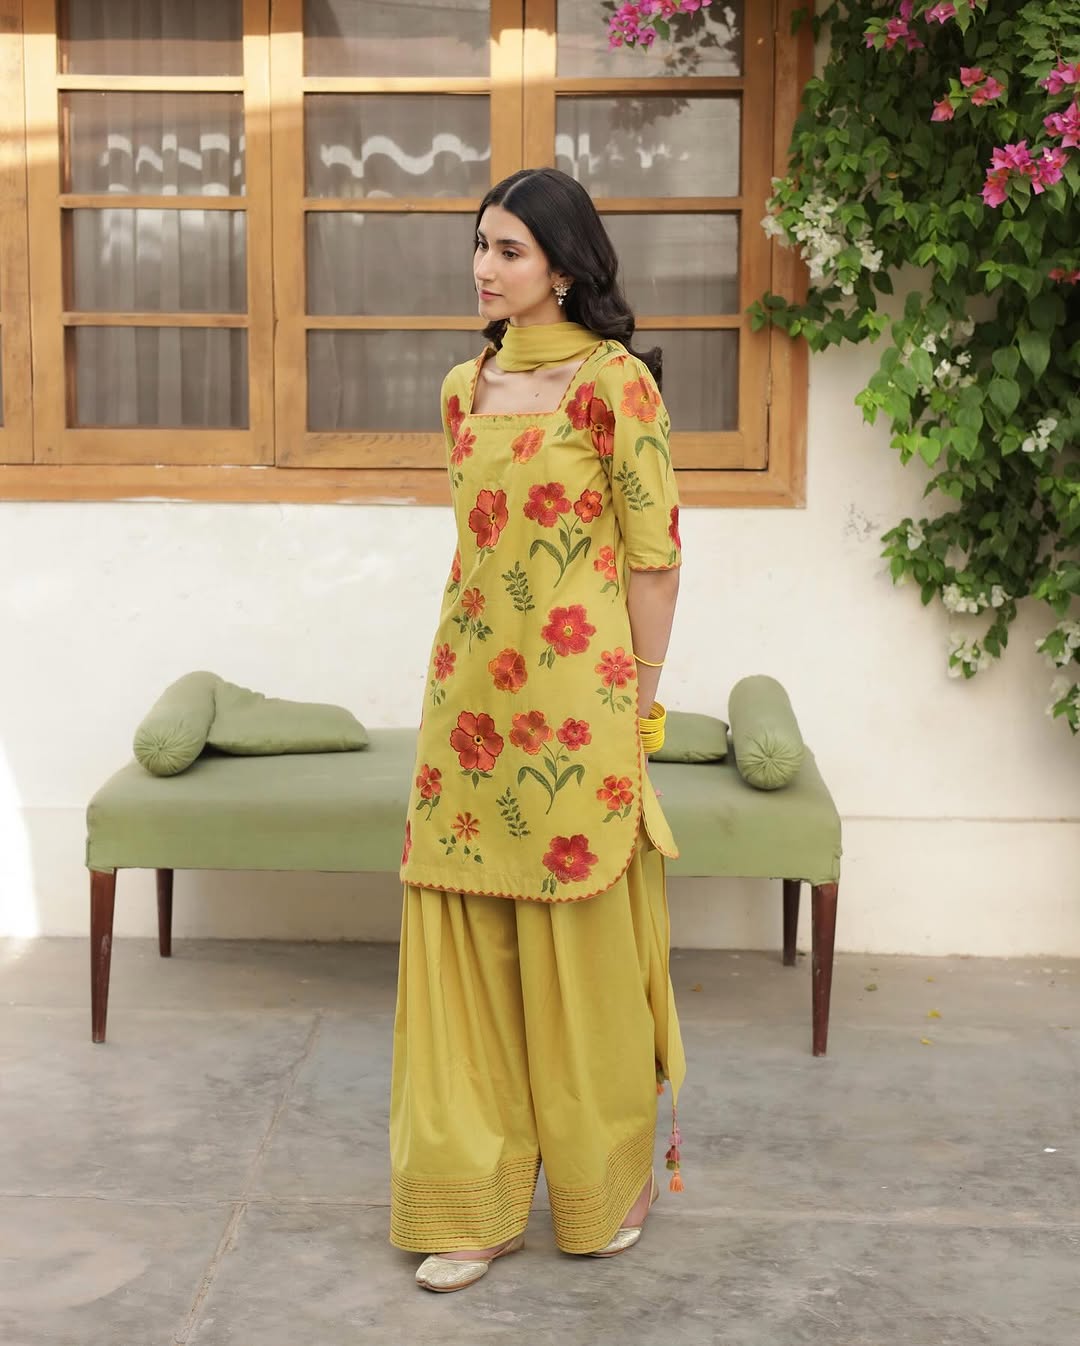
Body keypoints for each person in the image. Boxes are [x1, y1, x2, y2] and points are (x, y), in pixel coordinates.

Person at [389, 166, 686, 1294]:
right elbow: (477, 555)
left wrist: (642, 697)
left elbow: (655, 559)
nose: (486, 265)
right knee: (466, 953)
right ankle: (472, 1204)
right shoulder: (463, 387)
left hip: (580, 705)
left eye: (510, 248)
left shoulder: (617, 387)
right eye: (480, 245)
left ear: (564, 264)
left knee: (582, 959)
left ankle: (607, 1182)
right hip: (468, 704)